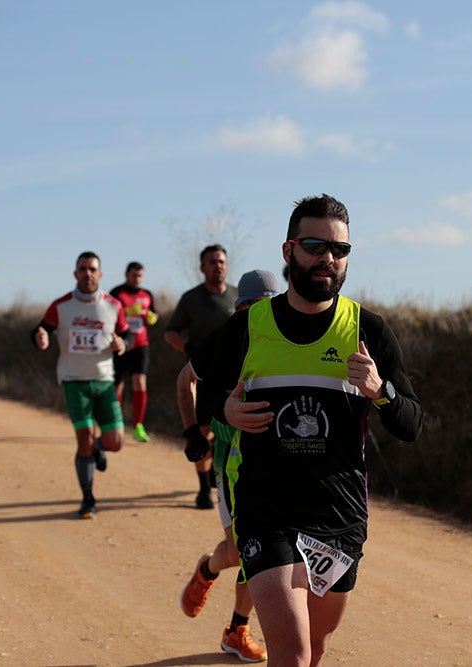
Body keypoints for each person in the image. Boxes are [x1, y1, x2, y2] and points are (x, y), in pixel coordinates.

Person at [196, 194, 423, 665]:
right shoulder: (249, 327)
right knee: (293, 655)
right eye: (316, 246)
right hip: (265, 509)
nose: (328, 259)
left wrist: (381, 391)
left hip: (338, 516)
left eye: (339, 250)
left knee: (316, 648)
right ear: (289, 250)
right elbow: (202, 382)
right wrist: (226, 411)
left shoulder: (368, 330)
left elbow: (412, 424)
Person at [179, 269, 282, 663]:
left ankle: (237, 630)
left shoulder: (288, 341)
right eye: (250, 308)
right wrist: (192, 432)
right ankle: (207, 568)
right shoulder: (223, 341)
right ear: (239, 308)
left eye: (268, 307)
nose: (259, 316)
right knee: (240, 552)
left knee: (266, 551)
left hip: (276, 462)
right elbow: (183, 379)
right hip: (231, 460)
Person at [32, 251, 132, 519]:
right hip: (74, 381)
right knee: (84, 440)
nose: (87, 273)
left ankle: (97, 449)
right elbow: (41, 330)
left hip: (104, 381)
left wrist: (124, 344)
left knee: (116, 442)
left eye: (92, 269)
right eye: (83, 269)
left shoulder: (113, 305)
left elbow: (127, 335)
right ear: (75, 273)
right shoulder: (61, 306)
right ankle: (88, 499)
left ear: (100, 275)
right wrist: (39, 337)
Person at [164, 244, 238, 510]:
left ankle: (226, 481)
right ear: (202, 267)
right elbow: (170, 332)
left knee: (232, 432)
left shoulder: (237, 296)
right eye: (211, 262)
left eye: (221, 261)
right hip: (200, 376)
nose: (217, 266)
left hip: (235, 378)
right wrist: (186, 347)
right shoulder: (191, 299)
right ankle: (203, 487)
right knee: (202, 433)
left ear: (226, 265)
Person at [109, 261, 159, 443]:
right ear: (126, 274)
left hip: (141, 345)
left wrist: (152, 317)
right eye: (134, 275)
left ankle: (138, 425)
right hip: (121, 345)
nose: (137, 279)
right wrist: (127, 311)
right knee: (118, 386)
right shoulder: (117, 293)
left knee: (140, 382)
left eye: (140, 276)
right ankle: (116, 422)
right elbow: (108, 316)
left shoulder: (147, 294)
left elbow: (153, 314)